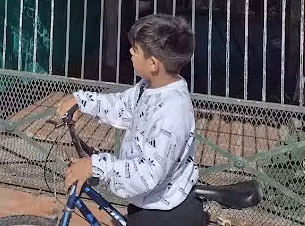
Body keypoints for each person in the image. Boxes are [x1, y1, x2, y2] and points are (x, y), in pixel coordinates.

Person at [56, 14, 203, 226]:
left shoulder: (172, 112)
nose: (131, 53)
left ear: (153, 63)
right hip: (146, 201)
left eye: (136, 49)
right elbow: (122, 106)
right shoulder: (149, 87)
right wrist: (81, 101)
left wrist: (95, 166)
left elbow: (148, 173)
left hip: (162, 214)